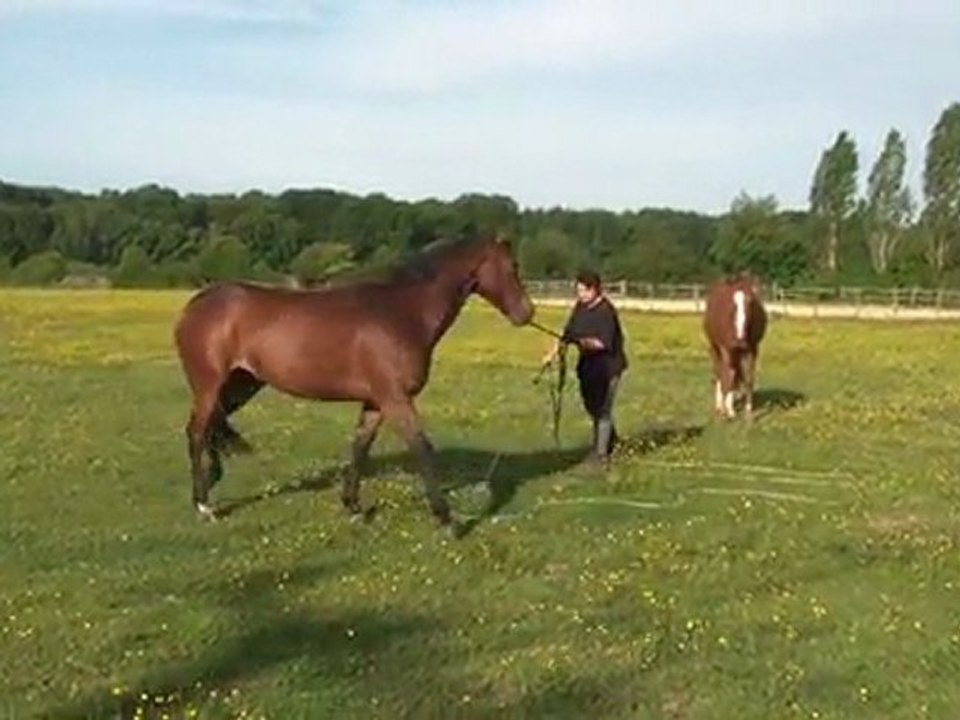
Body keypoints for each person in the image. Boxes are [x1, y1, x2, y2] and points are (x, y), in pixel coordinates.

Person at [542, 270, 628, 465]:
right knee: (592, 406)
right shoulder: (580, 307)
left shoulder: (606, 312)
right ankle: (612, 441)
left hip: (608, 368)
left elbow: (602, 343)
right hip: (588, 366)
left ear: (595, 290)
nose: (580, 295)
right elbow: (566, 333)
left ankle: (600, 455)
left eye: (583, 291)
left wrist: (581, 341)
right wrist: (551, 354)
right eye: (578, 290)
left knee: (603, 409)